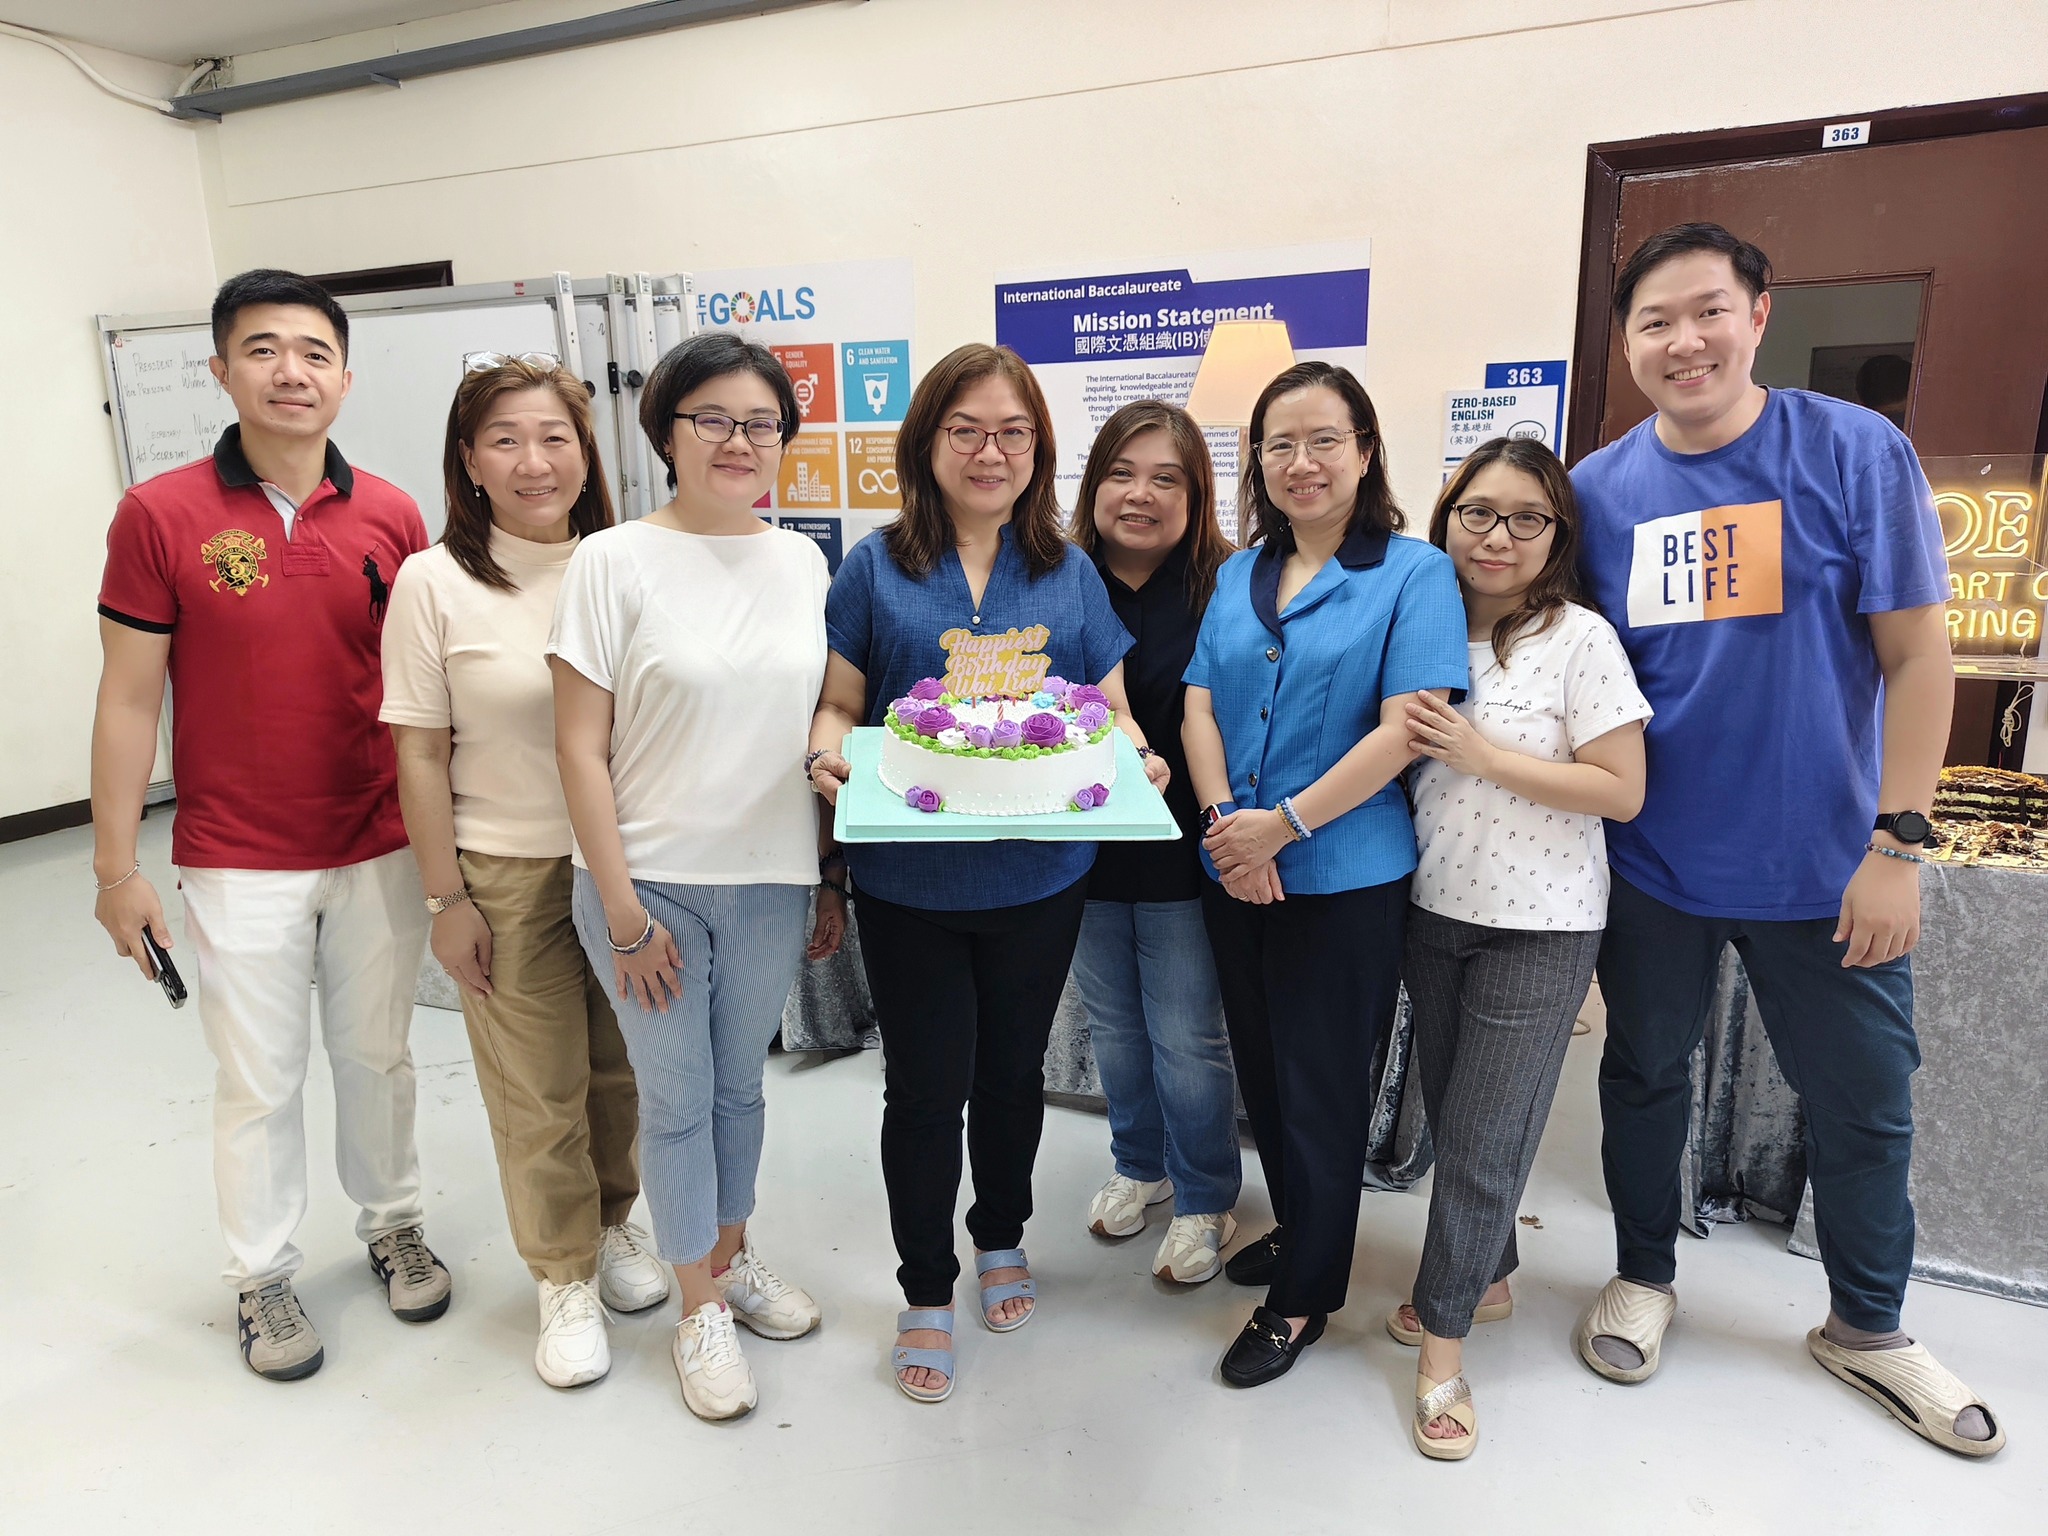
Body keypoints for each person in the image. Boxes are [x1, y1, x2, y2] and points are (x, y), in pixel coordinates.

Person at [1572, 221, 2003, 1457]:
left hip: (1828, 869)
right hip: (1652, 865)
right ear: (1625, 343)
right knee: (1643, 1077)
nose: (1682, 341)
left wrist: (1897, 843)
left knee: (1864, 1102)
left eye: (1706, 310)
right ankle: (1641, 1275)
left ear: (1756, 315)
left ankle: (1865, 1326)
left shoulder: (1851, 450)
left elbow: (1917, 657)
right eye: (1653, 322)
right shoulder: (1597, 491)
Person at [90, 269, 450, 1382]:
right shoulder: (160, 514)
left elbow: (423, 693)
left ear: (344, 377)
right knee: (258, 1076)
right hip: (237, 854)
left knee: (379, 1054)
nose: (290, 372)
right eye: (262, 349)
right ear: (221, 369)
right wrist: (115, 869)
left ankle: (393, 1222)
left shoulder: (392, 514)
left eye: (313, 353)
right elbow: (127, 699)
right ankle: (261, 1276)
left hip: (380, 838)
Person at [806, 343, 1170, 1403]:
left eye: (1012, 431)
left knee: (1011, 1077)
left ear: (1037, 448)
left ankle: (1000, 1234)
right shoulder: (875, 566)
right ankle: (925, 1285)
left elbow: (1107, 708)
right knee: (923, 1091)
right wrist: (826, 752)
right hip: (909, 884)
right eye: (964, 428)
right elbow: (840, 703)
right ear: (927, 442)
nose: (989, 450)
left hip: (1039, 877)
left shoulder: (1067, 569)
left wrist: (1139, 754)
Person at [548, 331, 840, 1422]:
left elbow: (815, 722)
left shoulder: (802, 562)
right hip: (648, 884)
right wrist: (622, 912)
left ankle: (729, 1253)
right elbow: (578, 746)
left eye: (760, 423)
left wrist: (824, 873)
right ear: (665, 431)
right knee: (674, 1101)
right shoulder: (611, 558)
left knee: (739, 1091)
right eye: (710, 418)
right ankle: (696, 1311)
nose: (737, 440)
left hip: (769, 879)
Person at [381, 353, 671, 1390]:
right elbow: (419, 752)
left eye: (555, 438)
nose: (534, 462)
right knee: (537, 1089)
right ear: (468, 461)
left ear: (587, 455)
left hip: (626, 867)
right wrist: (445, 897)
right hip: (504, 871)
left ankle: (615, 1224)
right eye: (505, 439)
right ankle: (561, 1274)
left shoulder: (624, 564)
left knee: (621, 1074)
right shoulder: (433, 581)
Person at [1183, 359, 1467, 1389]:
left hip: (1342, 875)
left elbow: (1408, 728)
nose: (1300, 463)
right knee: (1262, 1073)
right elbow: (1199, 704)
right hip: (1233, 863)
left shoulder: (1413, 573)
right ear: (1256, 461)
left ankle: (1304, 1296)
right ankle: (1305, 1225)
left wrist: (1283, 828)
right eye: (1278, 445)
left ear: (1365, 451)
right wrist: (1226, 823)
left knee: (1320, 1086)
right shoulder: (1238, 573)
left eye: (1323, 441)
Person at [1388, 437, 1650, 1459]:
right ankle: (1486, 1277)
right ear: (1446, 516)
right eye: (1477, 513)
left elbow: (1620, 789)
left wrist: (1481, 753)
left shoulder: (1578, 638)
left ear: (1556, 535)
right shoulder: (1418, 624)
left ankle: (1443, 1353)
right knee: (1453, 1114)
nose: (1497, 537)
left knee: (1484, 1138)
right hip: (1429, 907)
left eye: (1525, 518)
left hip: (1540, 922)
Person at [1065, 401, 1242, 1283]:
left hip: (1183, 854)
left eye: (1166, 478)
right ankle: (1140, 1164)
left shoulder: (1228, 587)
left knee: (1185, 1035)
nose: (1140, 494)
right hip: (1080, 855)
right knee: (1114, 1028)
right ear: (1092, 485)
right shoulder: (1056, 580)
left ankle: (1206, 1192)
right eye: (1122, 473)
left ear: (1196, 495)